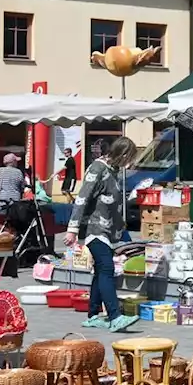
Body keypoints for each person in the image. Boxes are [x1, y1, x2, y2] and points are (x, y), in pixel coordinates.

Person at [65, 137, 139, 332]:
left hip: (108, 230)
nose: (129, 163)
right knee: (106, 268)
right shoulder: (98, 168)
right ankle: (115, 316)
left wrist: (122, 231)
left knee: (100, 271)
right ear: (122, 154)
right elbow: (82, 198)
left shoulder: (114, 171)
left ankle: (93, 315)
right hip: (94, 228)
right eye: (129, 158)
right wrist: (72, 229)